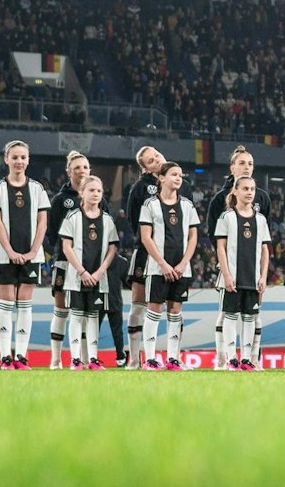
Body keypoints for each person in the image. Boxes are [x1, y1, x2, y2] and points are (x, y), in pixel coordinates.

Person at [204, 147, 272, 369]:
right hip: (230, 267)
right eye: (242, 163)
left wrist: (263, 275)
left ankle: (251, 358)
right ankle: (225, 357)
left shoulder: (261, 206)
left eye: (250, 164)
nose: (247, 167)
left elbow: (264, 246)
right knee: (228, 314)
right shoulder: (221, 206)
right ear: (232, 168)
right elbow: (217, 240)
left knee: (252, 315)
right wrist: (225, 269)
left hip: (252, 270)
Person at [0, 140, 50, 371]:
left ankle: (21, 356)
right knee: (5, 303)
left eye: (23, 157)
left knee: (25, 304)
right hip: (5, 255)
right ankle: (5, 357)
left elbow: (42, 222)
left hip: (32, 254)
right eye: (14, 157)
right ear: (6, 159)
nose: (19, 161)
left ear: (28, 160)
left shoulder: (37, 188)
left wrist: (34, 251)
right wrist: (10, 251)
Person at [136, 161, 198, 370]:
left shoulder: (187, 205)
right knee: (154, 309)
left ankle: (173, 358)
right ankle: (151, 359)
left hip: (181, 267)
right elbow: (146, 237)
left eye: (180, 175)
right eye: (173, 174)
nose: (178, 178)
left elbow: (193, 237)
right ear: (161, 178)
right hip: (156, 267)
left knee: (175, 311)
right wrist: (162, 264)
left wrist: (183, 264)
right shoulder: (150, 205)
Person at [59, 175, 116, 370]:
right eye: (91, 190)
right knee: (76, 316)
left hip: (99, 278)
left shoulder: (107, 220)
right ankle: (75, 359)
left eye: (99, 191)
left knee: (93, 316)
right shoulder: (72, 217)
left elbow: (112, 249)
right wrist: (82, 271)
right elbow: (67, 247)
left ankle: (92, 358)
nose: (96, 194)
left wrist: (100, 272)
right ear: (82, 193)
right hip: (76, 277)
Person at [121, 145, 169, 366]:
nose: (157, 160)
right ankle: (133, 357)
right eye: (151, 160)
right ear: (146, 169)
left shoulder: (177, 182)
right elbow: (133, 220)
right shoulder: (141, 187)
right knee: (139, 304)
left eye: (157, 155)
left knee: (170, 306)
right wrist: (147, 242)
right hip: (145, 252)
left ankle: (170, 357)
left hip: (171, 253)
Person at [47, 151, 90, 369]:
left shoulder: (96, 198)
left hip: (89, 266)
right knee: (61, 309)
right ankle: (55, 359)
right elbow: (52, 233)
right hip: (64, 262)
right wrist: (61, 254)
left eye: (85, 167)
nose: (82, 171)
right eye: (77, 168)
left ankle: (82, 358)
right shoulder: (60, 200)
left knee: (82, 312)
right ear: (68, 172)